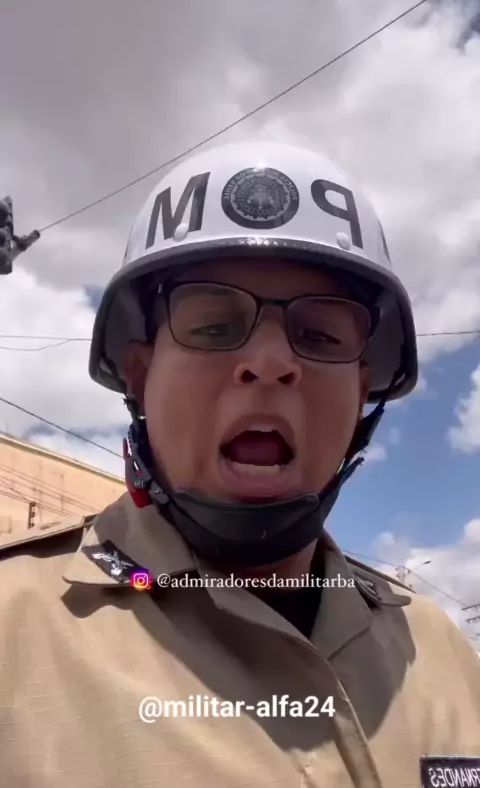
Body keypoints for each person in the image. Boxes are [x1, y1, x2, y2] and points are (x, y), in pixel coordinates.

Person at [1, 141, 479, 787]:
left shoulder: (440, 652)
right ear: (140, 378)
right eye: (213, 326)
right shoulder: (13, 628)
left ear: (362, 391)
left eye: (319, 335)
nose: (271, 362)